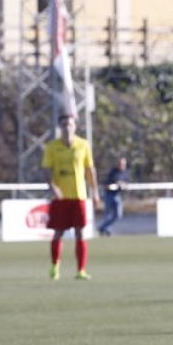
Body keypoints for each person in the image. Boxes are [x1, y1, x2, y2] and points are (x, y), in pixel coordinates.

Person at [41, 113, 100, 280]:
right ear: (59, 127)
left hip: (79, 195)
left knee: (80, 233)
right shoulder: (52, 147)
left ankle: (80, 270)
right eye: (64, 125)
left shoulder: (83, 145)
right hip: (60, 198)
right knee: (58, 232)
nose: (67, 128)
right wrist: (53, 187)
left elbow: (90, 170)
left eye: (70, 124)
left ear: (75, 126)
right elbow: (46, 169)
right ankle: (54, 267)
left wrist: (95, 193)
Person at [97, 156, 129, 237]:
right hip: (109, 195)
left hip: (117, 195)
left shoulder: (125, 172)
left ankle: (102, 227)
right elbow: (109, 182)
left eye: (123, 164)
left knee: (118, 214)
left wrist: (124, 185)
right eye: (120, 163)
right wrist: (117, 183)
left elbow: (126, 183)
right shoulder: (113, 171)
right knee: (108, 214)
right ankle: (107, 230)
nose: (121, 165)